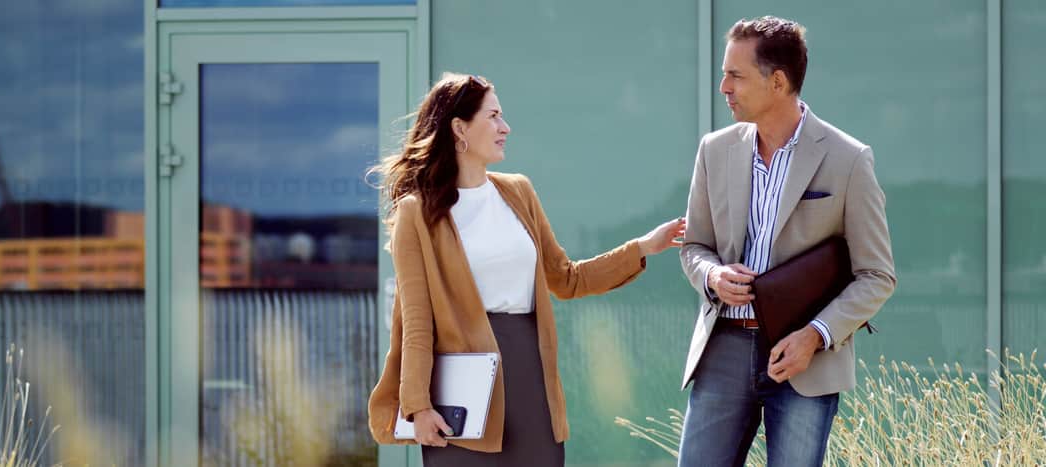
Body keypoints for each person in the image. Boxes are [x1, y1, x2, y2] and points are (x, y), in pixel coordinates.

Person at [365, 72, 685, 466]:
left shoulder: (518, 192)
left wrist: (642, 247)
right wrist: (417, 406)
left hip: (530, 376)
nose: (506, 127)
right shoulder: (417, 212)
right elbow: (416, 320)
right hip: (462, 388)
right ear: (459, 128)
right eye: (494, 116)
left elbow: (568, 279)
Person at [677, 16, 896, 466]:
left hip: (805, 363)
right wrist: (714, 275)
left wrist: (816, 336)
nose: (724, 87)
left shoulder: (848, 159)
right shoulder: (713, 150)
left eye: (735, 75)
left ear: (777, 81)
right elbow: (695, 247)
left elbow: (877, 275)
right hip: (723, 349)